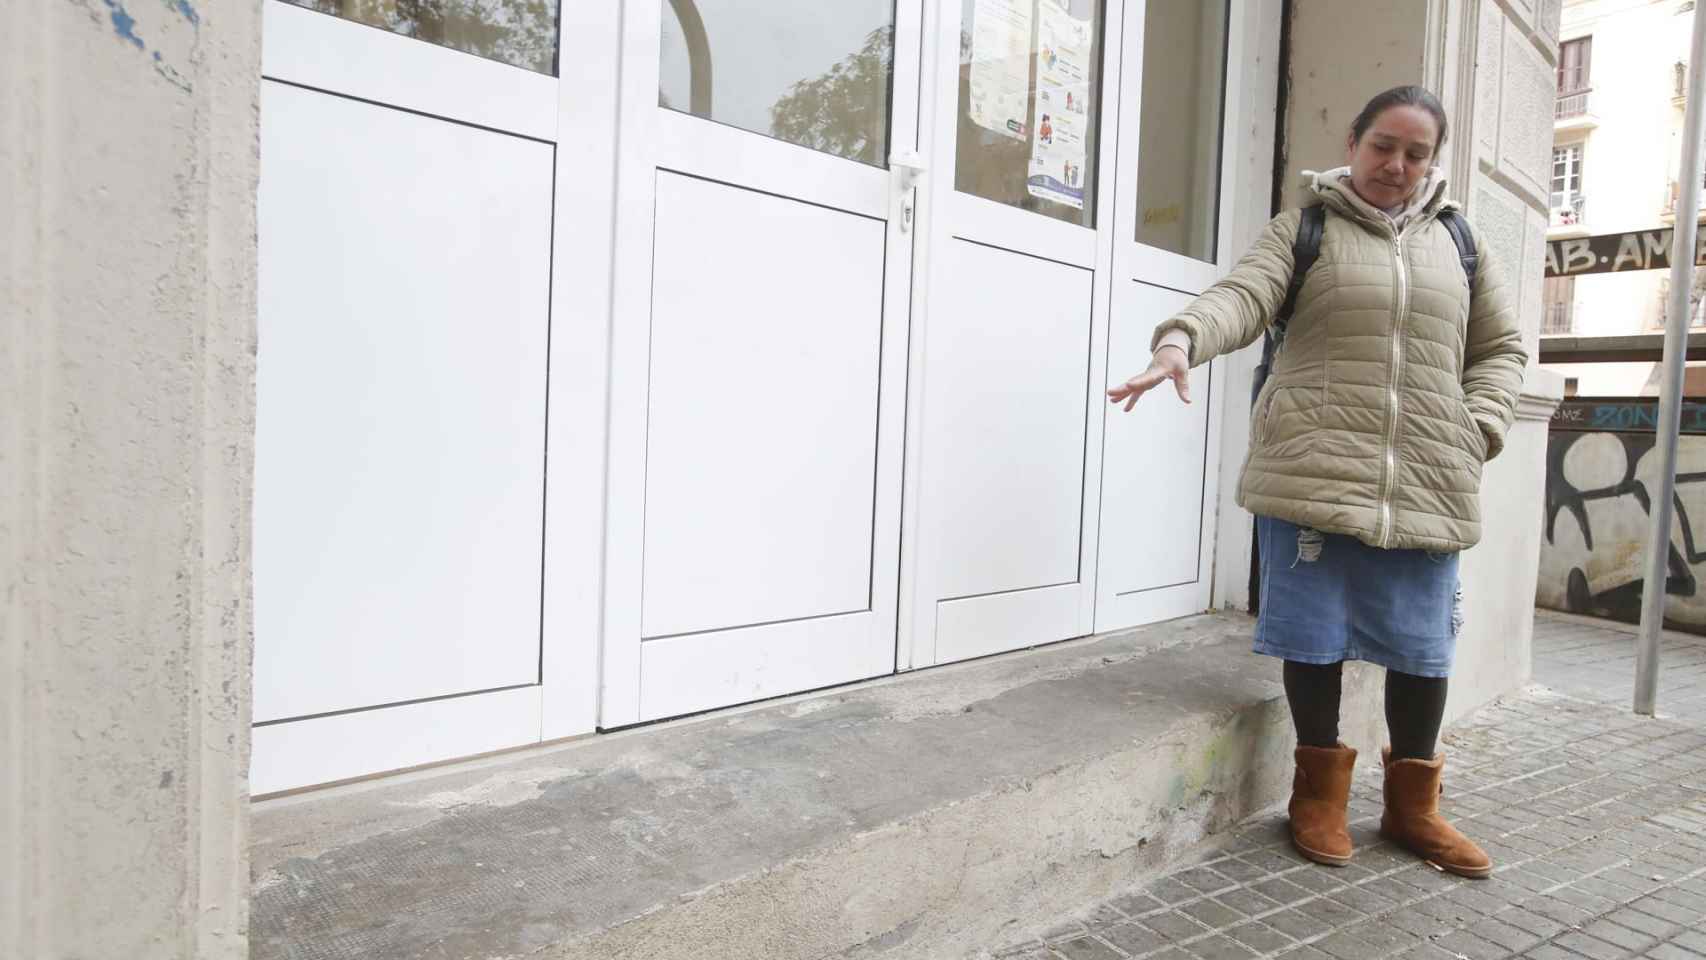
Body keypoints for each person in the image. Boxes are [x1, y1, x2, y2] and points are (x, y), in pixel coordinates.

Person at [1106, 85, 1526, 878]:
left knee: (1422, 646)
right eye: (1383, 146)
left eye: (1416, 153)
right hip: (1314, 462)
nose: (1397, 166)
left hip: (1430, 475)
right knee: (1316, 638)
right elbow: (1244, 296)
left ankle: (1413, 808)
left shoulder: (1462, 241)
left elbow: (1501, 348)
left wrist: (1481, 426)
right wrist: (1180, 343)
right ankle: (1320, 797)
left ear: (1432, 161)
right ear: (1354, 140)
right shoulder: (1306, 227)